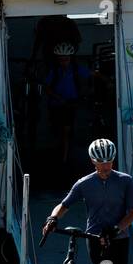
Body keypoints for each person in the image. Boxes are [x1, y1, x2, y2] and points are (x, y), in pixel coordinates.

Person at [43, 42, 90, 175]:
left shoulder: (76, 69)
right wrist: (58, 98)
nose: (64, 62)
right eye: (61, 59)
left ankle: (65, 160)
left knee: (67, 131)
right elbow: (46, 87)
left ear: (71, 58)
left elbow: (90, 75)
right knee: (59, 131)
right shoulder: (54, 71)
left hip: (71, 104)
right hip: (57, 105)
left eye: (66, 59)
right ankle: (61, 157)